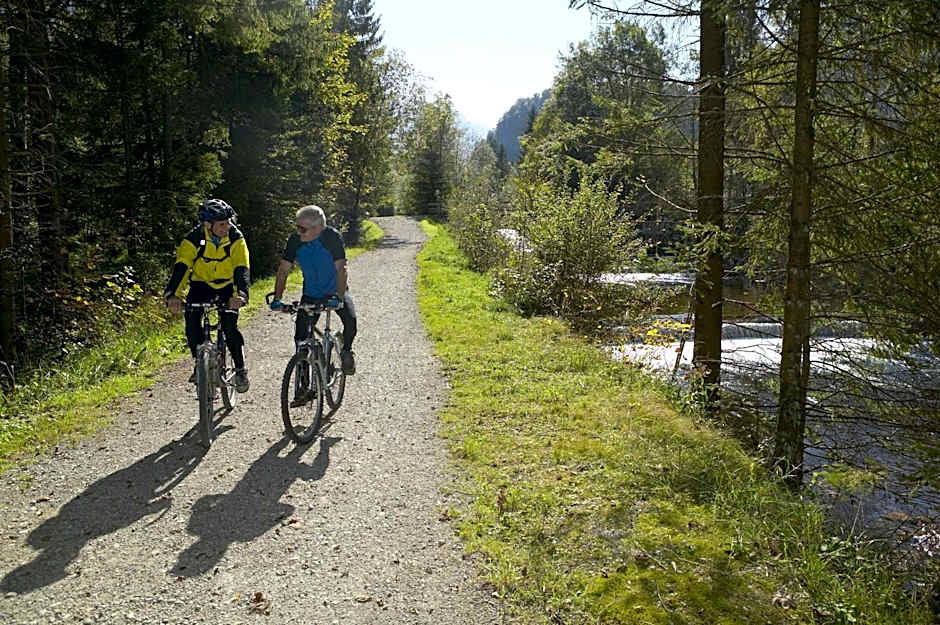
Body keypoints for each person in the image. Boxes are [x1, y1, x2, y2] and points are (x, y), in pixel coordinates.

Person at [164, 199, 251, 392]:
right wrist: (173, 295)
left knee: (229, 327)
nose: (227, 226)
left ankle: (240, 369)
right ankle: (199, 363)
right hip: (201, 285)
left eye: (229, 221)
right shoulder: (194, 239)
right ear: (207, 225)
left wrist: (241, 295)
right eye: (222, 224)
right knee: (192, 320)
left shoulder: (236, 238)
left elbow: (241, 268)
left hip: (228, 287)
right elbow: (182, 268)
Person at [269, 205, 357, 375]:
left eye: (303, 229)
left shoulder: (331, 238)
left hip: (335, 290)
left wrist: (338, 297)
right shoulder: (295, 240)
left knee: (351, 322)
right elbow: (283, 271)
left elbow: (341, 270)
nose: (298, 232)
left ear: (318, 229)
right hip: (311, 293)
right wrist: (277, 299)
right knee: (301, 339)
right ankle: (303, 387)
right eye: (297, 227)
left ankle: (346, 350)